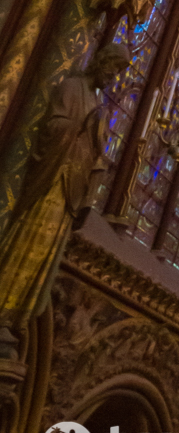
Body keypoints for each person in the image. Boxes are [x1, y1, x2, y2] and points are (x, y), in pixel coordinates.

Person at [0, 43, 127, 345]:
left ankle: (17, 317)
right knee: (28, 240)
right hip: (53, 180)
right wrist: (83, 126)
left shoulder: (97, 102)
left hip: (72, 189)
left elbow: (95, 149)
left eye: (119, 73)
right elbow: (54, 125)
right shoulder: (72, 87)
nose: (113, 76)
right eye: (113, 68)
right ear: (101, 61)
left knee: (45, 255)